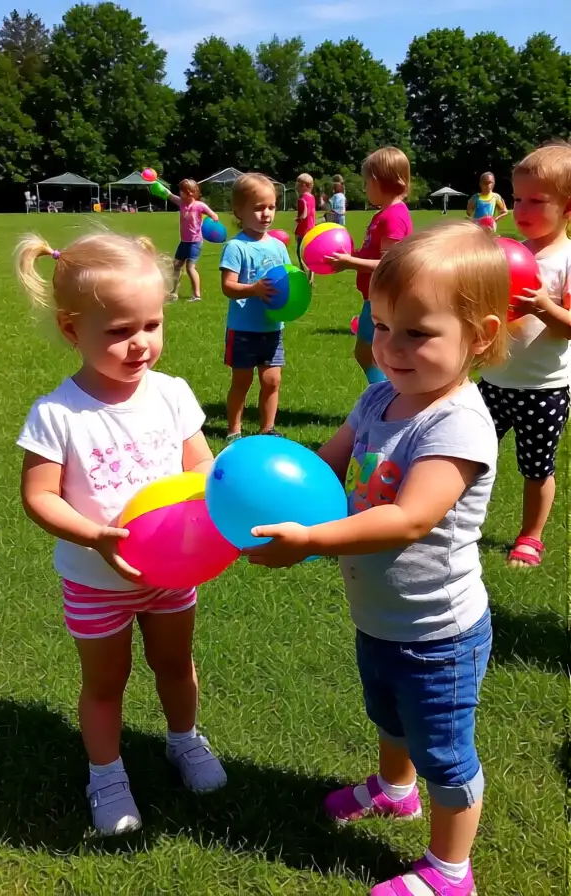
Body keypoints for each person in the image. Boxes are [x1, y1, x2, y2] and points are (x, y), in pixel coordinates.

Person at [246, 220, 509, 896]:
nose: (391, 347)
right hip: (381, 617)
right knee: (389, 717)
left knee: (447, 757)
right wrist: (258, 482)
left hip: (438, 633)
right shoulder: (377, 398)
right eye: (384, 326)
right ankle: (396, 789)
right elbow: (325, 466)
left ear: (478, 337)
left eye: (418, 333)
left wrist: (308, 543)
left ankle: (452, 873)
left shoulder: (457, 424)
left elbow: (408, 518)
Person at [16, 231, 227, 836]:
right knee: (105, 683)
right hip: (95, 579)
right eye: (118, 331)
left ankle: (184, 740)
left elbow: (200, 469)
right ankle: (106, 773)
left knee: (175, 663)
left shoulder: (172, 395)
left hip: (172, 573)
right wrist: (94, 535)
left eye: (152, 325)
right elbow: (38, 497)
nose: (141, 345)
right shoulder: (57, 414)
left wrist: (220, 509)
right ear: (69, 329)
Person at [478, 142, 571, 567]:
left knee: (536, 468)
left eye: (536, 200)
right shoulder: (511, 252)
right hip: (495, 382)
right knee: (467, 453)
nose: (521, 208)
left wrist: (544, 307)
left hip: (543, 389)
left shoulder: (566, 260)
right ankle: (456, 519)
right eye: (517, 199)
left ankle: (530, 536)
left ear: (568, 208)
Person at [326, 146, 413, 384]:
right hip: (374, 298)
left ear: (379, 181)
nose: (364, 188)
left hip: (384, 300)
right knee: (367, 353)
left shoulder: (393, 216)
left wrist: (349, 262)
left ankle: (385, 395)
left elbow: (389, 263)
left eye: (366, 182)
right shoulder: (383, 214)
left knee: (372, 354)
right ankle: (386, 394)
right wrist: (351, 254)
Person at [220, 173, 290, 441]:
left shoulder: (278, 246)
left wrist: (297, 291)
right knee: (242, 381)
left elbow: (286, 279)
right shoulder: (236, 247)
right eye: (258, 208)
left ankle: (267, 429)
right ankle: (234, 430)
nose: (266, 214)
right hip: (243, 328)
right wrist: (254, 289)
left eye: (271, 207)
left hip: (272, 327)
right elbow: (228, 286)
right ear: (239, 211)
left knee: (272, 381)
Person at [167, 179, 219, 303]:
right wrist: (155, 183)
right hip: (184, 241)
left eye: (181, 191)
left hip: (195, 242)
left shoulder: (200, 205)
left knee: (190, 268)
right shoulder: (181, 203)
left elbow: (215, 216)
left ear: (189, 192)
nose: (179, 193)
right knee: (177, 266)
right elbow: (169, 195)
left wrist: (210, 222)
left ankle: (197, 295)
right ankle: (174, 292)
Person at [294, 173, 316, 283]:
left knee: (299, 252)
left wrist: (298, 219)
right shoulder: (312, 198)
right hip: (312, 228)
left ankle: (304, 272)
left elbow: (304, 214)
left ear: (304, 185)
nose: (296, 187)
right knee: (309, 252)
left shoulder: (302, 199)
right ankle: (311, 275)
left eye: (297, 185)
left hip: (303, 229)